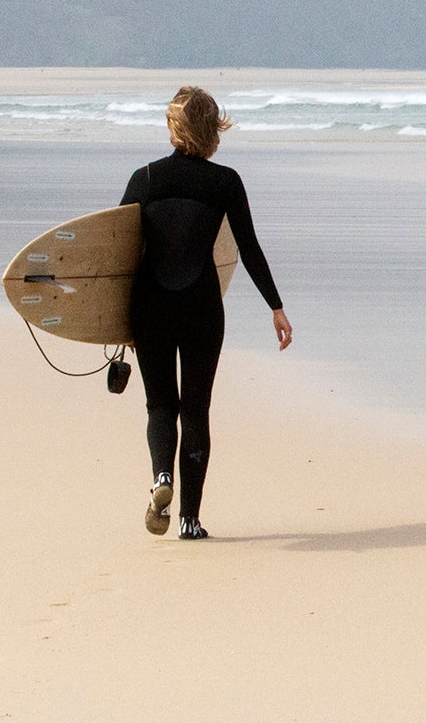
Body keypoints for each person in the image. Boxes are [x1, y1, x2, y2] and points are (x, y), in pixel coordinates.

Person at [120, 86, 291, 539]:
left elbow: (118, 257)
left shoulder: (145, 179)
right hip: (201, 306)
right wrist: (275, 306)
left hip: (150, 305)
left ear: (172, 126)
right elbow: (248, 248)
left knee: (161, 405)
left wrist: (112, 319)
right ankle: (190, 521)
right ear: (213, 128)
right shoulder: (224, 182)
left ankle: (161, 478)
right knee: (196, 409)